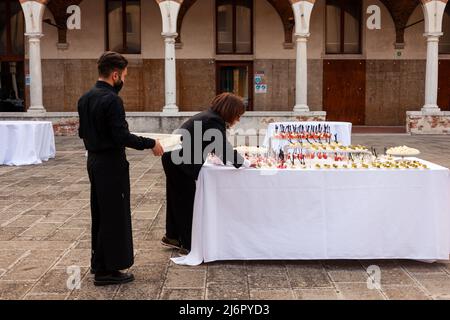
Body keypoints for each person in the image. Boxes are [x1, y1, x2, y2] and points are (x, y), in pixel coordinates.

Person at [78, 52, 164, 286]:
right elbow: (121, 136)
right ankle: (108, 270)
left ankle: (100, 264)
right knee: (114, 216)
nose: (124, 80)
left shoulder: (85, 98)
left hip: (94, 162)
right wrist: (151, 143)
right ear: (115, 74)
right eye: (124, 75)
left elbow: (82, 133)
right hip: (110, 164)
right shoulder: (112, 100)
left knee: (101, 212)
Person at [161, 93, 252, 254]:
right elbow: (223, 148)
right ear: (230, 111)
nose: (237, 120)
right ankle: (188, 244)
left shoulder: (209, 116)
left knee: (176, 198)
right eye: (238, 115)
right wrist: (245, 163)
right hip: (179, 162)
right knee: (186, 202)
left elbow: (216, 147)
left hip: (173, 158)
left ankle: (172, 236)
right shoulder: (213, 120)